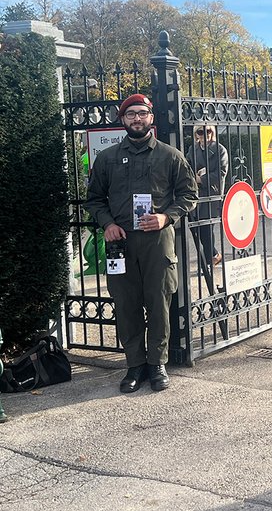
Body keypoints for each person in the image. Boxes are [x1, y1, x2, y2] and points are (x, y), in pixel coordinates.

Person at [85, 94, 198, 393]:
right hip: (120, 242)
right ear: (122, 120)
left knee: (159, 302)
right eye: (131, 114)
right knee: (126, 304)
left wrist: (166, 217)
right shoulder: (107, 158)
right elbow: (94, 199)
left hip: (157, 242)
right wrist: (108, 224)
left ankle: (157, 364)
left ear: (151, 118)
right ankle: (134, 365)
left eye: (142, 113)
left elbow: (189, 196)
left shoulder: (170, 156)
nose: (137, 118)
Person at [187, 125, 229, 270]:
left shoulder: (220, 150)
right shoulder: (193, 149)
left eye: (208, 131)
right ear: (196, 134)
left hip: (211, 193)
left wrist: (201, 179)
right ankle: (212, 256)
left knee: (206, 227)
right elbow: (187, 166)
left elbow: (221, 173)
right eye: (200, 131)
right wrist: (192, 177)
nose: (205, 134)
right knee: (196, 228)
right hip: (196, 193)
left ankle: (209, 261)